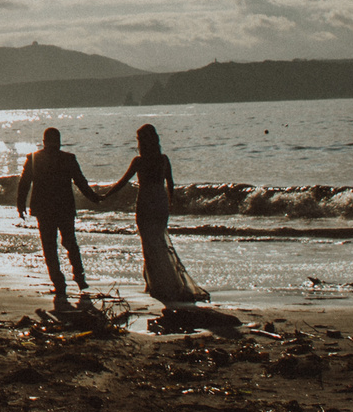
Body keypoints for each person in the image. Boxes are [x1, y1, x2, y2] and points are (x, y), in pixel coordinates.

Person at [105, 122, 209, 305]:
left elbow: (123, 182)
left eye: (139, 139)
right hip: (160, 201)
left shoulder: (139, 161)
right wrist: (170, 202)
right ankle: (160, 282)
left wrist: (105, 196)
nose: (138, 142)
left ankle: (157, 283)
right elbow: (170, 183)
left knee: (149, 243)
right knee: (159, 241)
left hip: (146, 202)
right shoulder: (163, 159)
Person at [13, 127, 99, 304]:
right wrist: (94, 198)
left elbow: (24, 183)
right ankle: (78, 277)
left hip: (45, 209)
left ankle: (60, 283)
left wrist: (20, 204)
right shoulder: (67, 158)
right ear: (56, 142)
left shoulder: (35, 158)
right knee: (69, 242)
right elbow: (81, 182)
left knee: (50, 247)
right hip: (63, 208)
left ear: (44, 142)